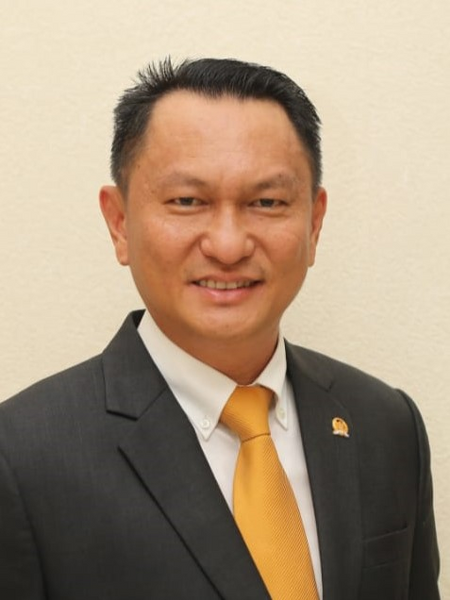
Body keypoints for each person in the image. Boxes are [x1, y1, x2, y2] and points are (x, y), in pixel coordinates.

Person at [0, 58, 440, 600]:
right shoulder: (20, 457)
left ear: (314, 223)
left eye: (267, 202)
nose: (228, 245)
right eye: (187, 201)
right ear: (119, 223)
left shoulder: (386, 425)